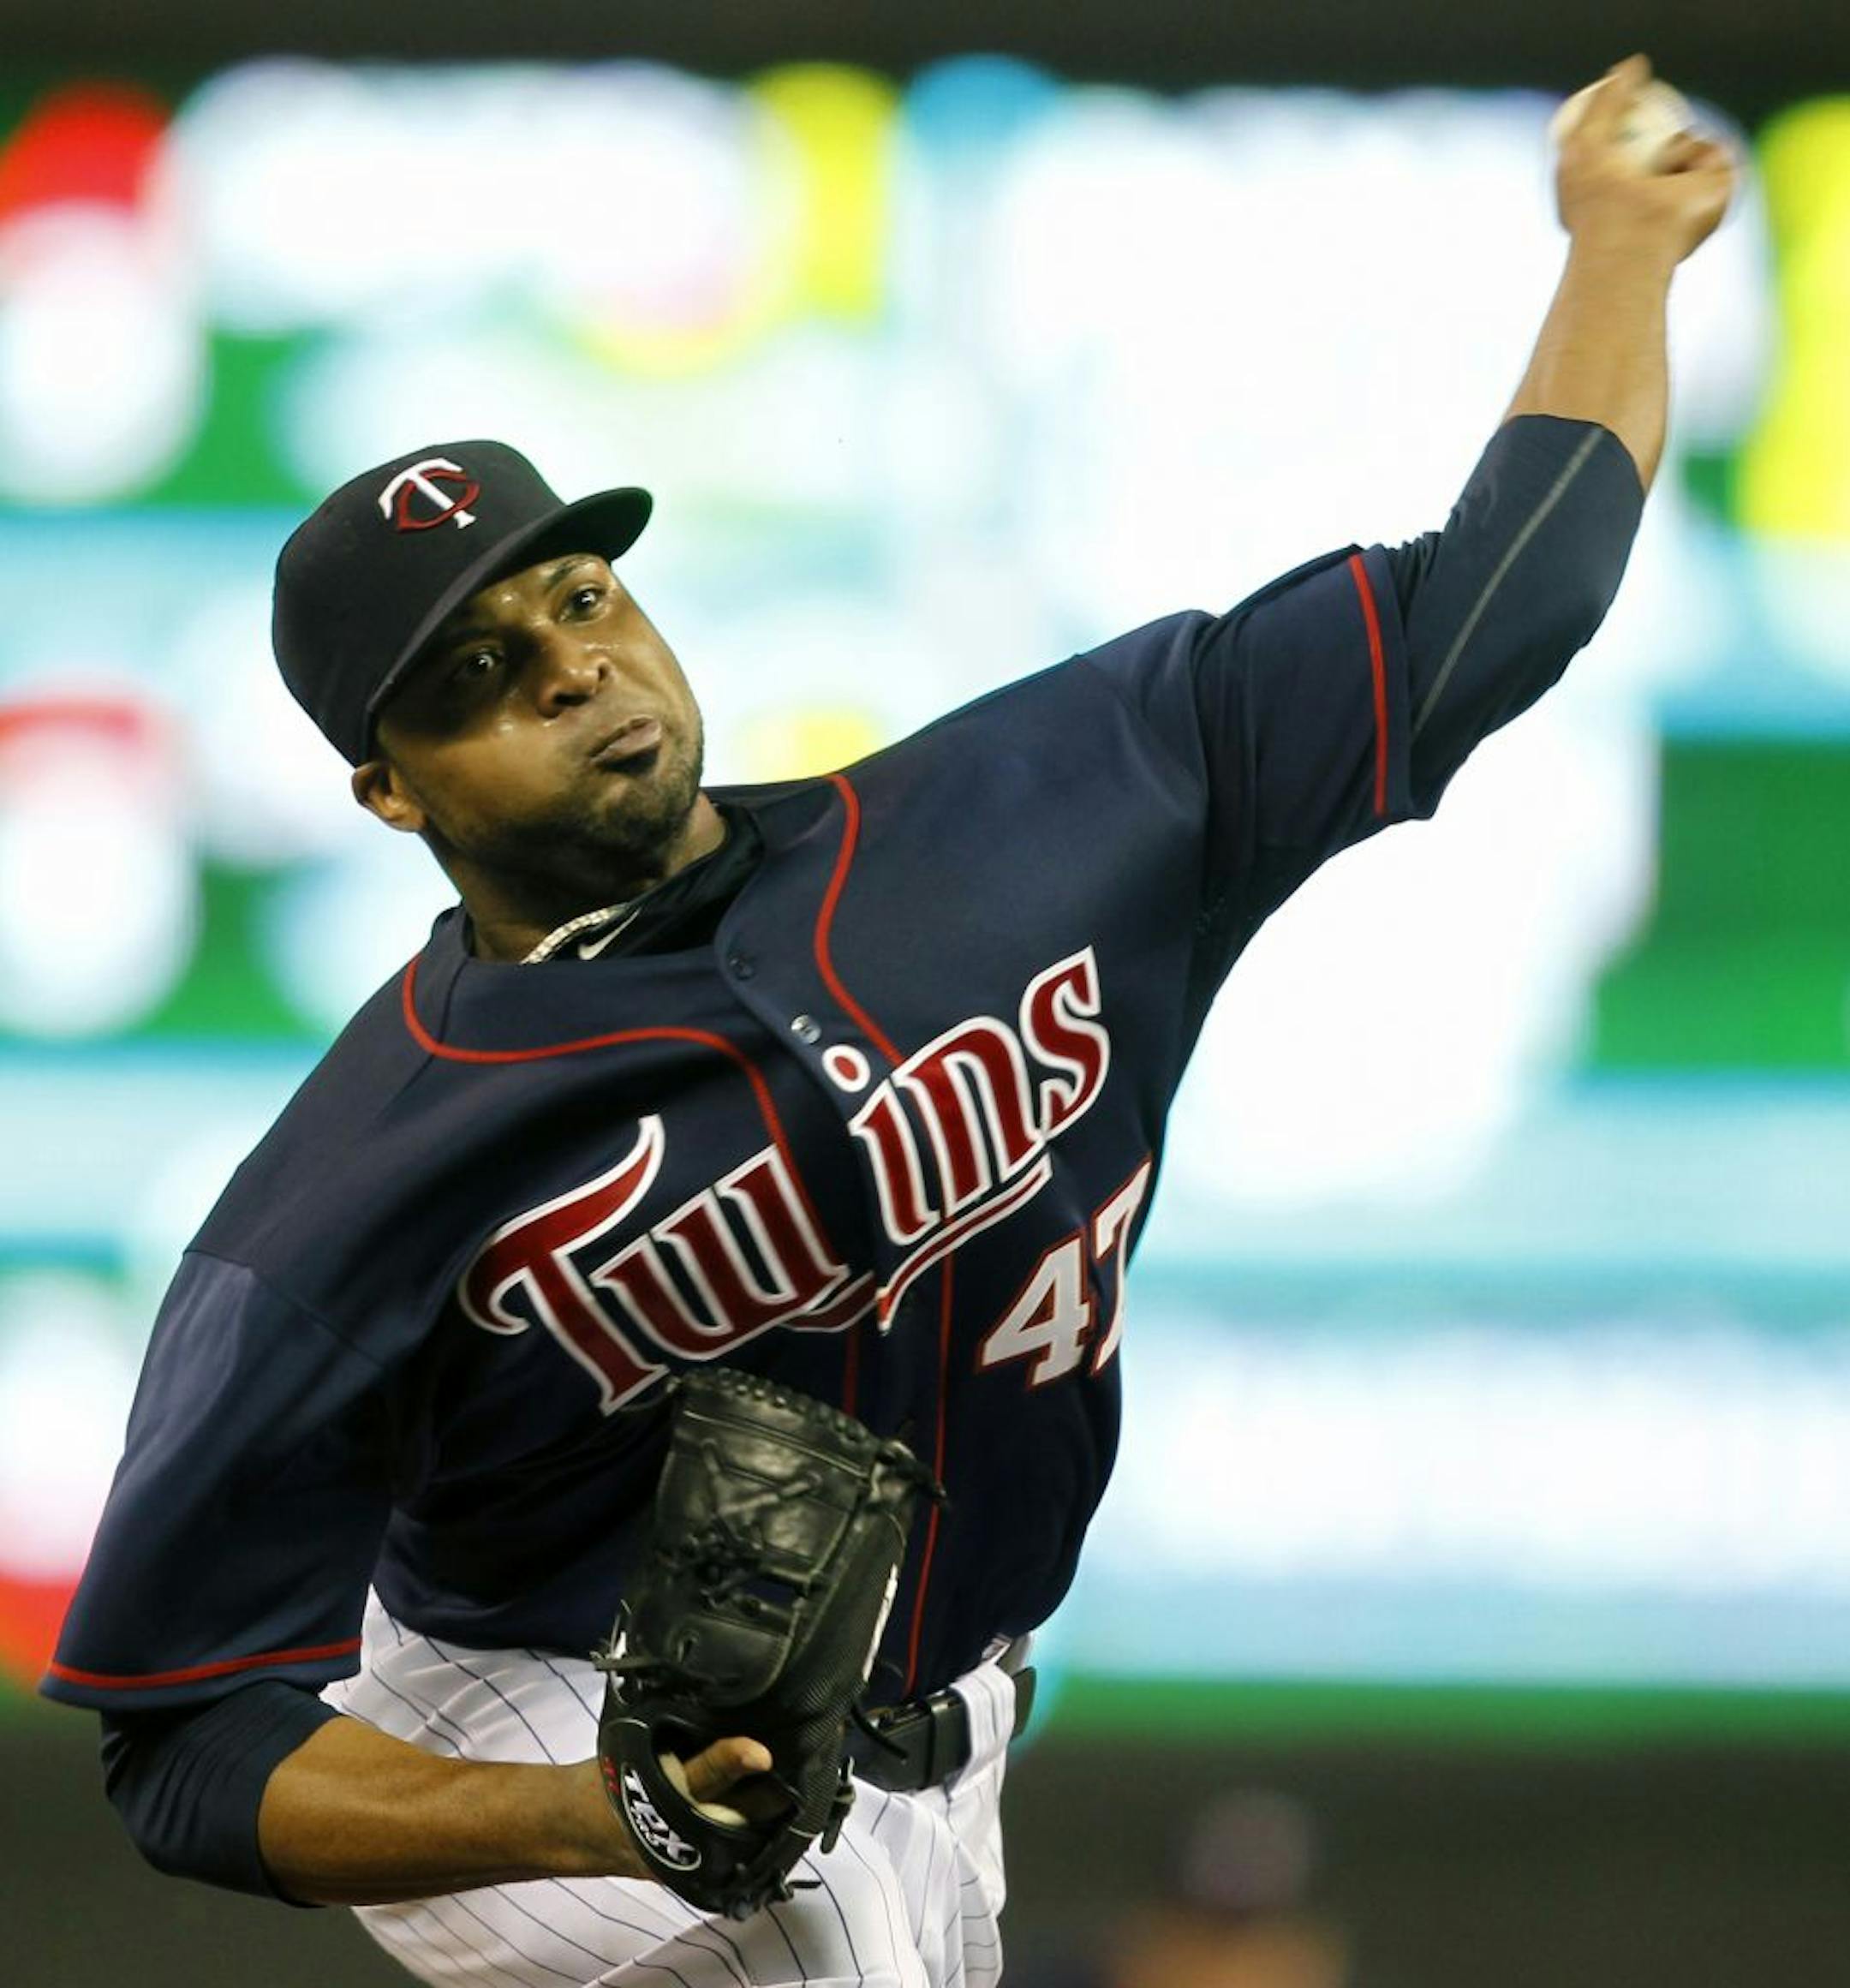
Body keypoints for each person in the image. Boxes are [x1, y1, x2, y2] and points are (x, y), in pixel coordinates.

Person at [42, 57, 1733, 1988]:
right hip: (531, 1714)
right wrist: (590, 1808)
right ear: (390, 791)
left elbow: (1498, 605)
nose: (574, 666)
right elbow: (180, 1745)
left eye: (582, 596)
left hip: (941, 1735)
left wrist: (1622, 243)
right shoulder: (352, 1190)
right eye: (482, 673)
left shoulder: (1052, 810)